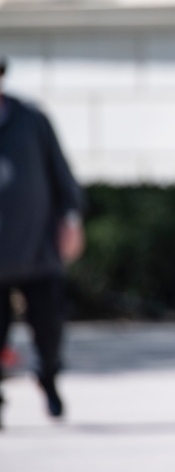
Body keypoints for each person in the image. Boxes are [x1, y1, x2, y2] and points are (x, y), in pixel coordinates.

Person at [0, 56, 85, 427]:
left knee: (48, 328)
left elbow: (61, 174)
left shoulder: (31, 120)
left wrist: (71, 219)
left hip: (37, 248)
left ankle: (47, 377)